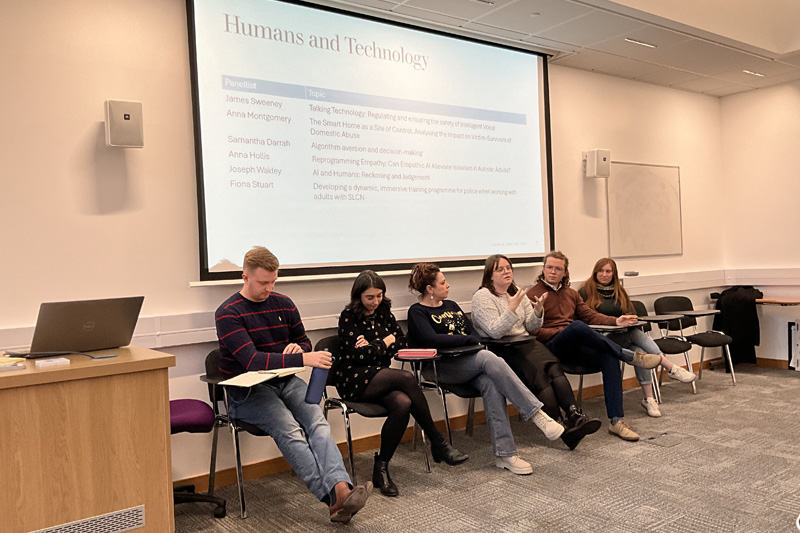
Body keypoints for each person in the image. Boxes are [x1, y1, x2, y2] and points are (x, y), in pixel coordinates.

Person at [215, 246, 372, 524]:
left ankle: (341, 490)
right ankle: (334, 498)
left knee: (317, 422)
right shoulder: (228, 313)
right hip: (247, 392)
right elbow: (252, 360)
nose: (269, 288)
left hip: (285, 381)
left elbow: (304, 341)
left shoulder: (284, 303)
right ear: (245, 277)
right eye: (263, 282)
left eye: (273, 281)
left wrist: (299, 348)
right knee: (290, 429)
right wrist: (303, 357)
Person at [406, 262, 565, 476]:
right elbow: (433, 340)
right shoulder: (417, 312)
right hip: (439, 366)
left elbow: (474, 334)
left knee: (490, 382)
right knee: (487, 357)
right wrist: (463, 340)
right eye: (443, 283)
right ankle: (536, 414)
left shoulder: (451, 305)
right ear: (429, 289)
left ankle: (505, 455)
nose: (448, 285)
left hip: (467, 362)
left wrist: (462, 340)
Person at [333, 270, 468, 497]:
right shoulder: (348, 316)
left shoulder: (384, 312)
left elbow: (402, 343)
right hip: (352, 379)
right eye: (369, 297)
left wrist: (375, 345)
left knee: (403, 403)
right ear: (358, 296)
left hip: (380, 378)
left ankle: (381, 467)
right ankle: (438, 442)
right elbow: (360, 357)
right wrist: (385, 341)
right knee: (406, 378)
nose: (375, 302)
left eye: (379, 296)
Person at [526, 251, 661, 442]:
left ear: (565, 272)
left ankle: (616, 421)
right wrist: (564, 331)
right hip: (551, 348)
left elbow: (590, 316)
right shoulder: (532, 294)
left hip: (575, 345)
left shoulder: (571, 293)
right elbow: (533, 332)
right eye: (549, 267)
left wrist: (616, 321)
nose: (553, 272)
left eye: (558, 268)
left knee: (609, 357)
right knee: (577, 326)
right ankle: (628, 356)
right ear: (543, 269)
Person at [471, 255, 602, 450]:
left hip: (526, 342)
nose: (507, 272)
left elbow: (531, 327)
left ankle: (574, 415)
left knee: (554, 368)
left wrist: (538, 312)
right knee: (540, 378)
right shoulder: (482, 297)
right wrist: (511, 309)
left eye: (508, 268)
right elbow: (494, 331)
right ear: (490, 275)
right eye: (500, 269)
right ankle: (561, 426)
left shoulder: (516, 291)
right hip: (503, 348)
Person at [578, 258, 696, 417]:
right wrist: (614, 322)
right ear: (595, 272)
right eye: (601, 271)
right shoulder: (585, 292)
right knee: (634, 336)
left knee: (641, 353)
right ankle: (670, 367)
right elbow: (583, 319)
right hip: (599, 340)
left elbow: (630, 312)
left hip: (621, 336)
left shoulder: (619, 291)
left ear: (614, 274)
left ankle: (649, 399)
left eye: (608, 271)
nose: (604, 274)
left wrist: (630, 319)